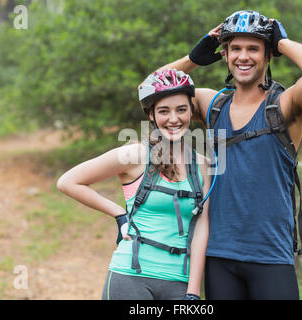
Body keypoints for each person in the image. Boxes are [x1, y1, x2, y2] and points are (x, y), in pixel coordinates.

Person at [152, 10, 302, 299]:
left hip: (271, 256)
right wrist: (193, 59)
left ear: (267, 55)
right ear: (224, 54)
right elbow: (152, 88)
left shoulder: (284, 107)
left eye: (254, 48)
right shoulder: (212, 105)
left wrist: (282, 42)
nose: (243, 57)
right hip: (218, 254)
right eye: (235, 48)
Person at [56, 69, 210, 300]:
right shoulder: (136, 155)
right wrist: (120, 215)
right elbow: (68, 181)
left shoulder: (203, 165)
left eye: (181, 109)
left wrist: (193, 292)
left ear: (191, 111)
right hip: (129, 278)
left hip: (179, 283)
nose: (174, 119)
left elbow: (201, 228)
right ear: (151, 115)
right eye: (163, 111)